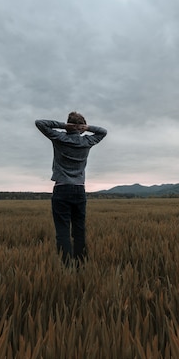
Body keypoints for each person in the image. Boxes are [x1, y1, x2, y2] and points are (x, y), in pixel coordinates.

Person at [35, 112, 107, 267]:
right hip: (79, 189)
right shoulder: (87, 141)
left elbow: (40, 123)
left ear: (69, 126)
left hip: (61, 188)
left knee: (62, 231)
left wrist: (63, 125)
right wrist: (87, 128)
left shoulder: (60, 138)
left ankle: (67, 267)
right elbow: (103, 132)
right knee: (79, 229)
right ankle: (81, 264)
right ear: (81, 128)